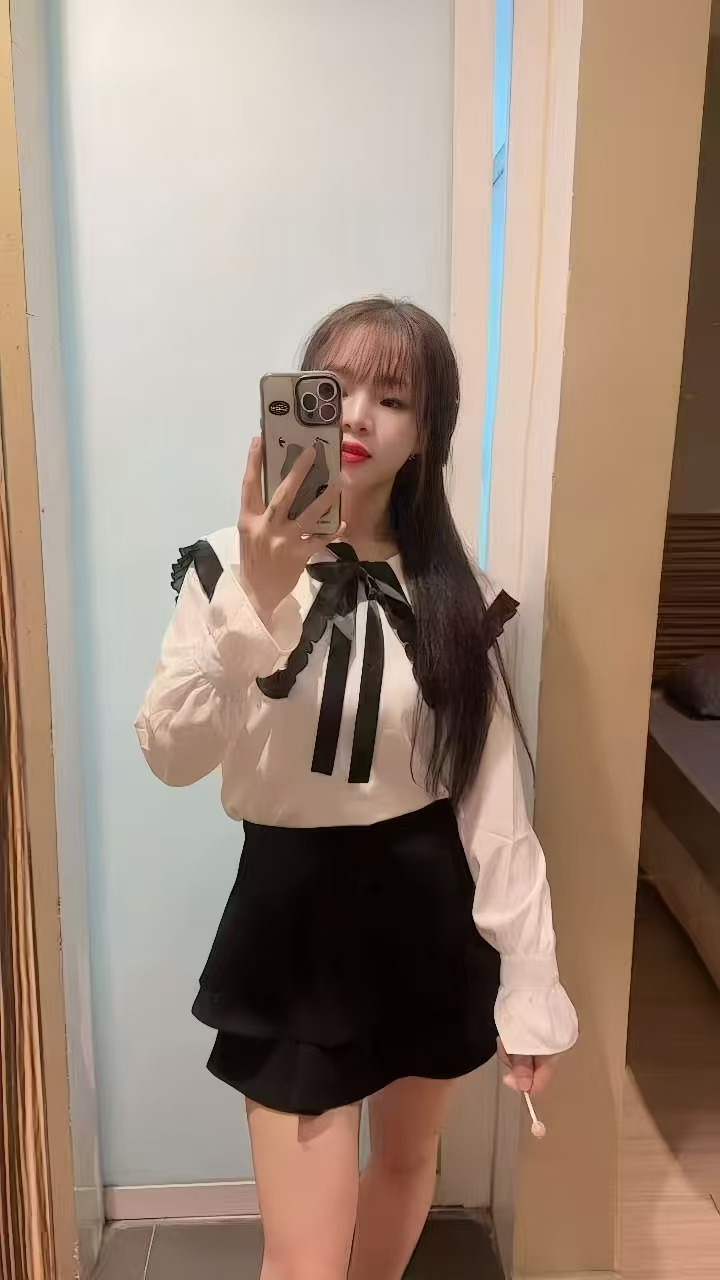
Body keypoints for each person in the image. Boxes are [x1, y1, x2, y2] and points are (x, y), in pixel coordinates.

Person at [135, 297, 578, 1280]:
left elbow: (491, 806)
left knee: (409, 1161)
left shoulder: (455, 595)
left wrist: (531, 980)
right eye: (334, 389)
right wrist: (254, 600)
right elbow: (170, 752)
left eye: (396, 397)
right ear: (298, 400)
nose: (360, 416)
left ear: (427, 434)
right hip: (294, 916)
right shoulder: (225, 566)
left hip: (429, 910)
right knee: (302, 1257)